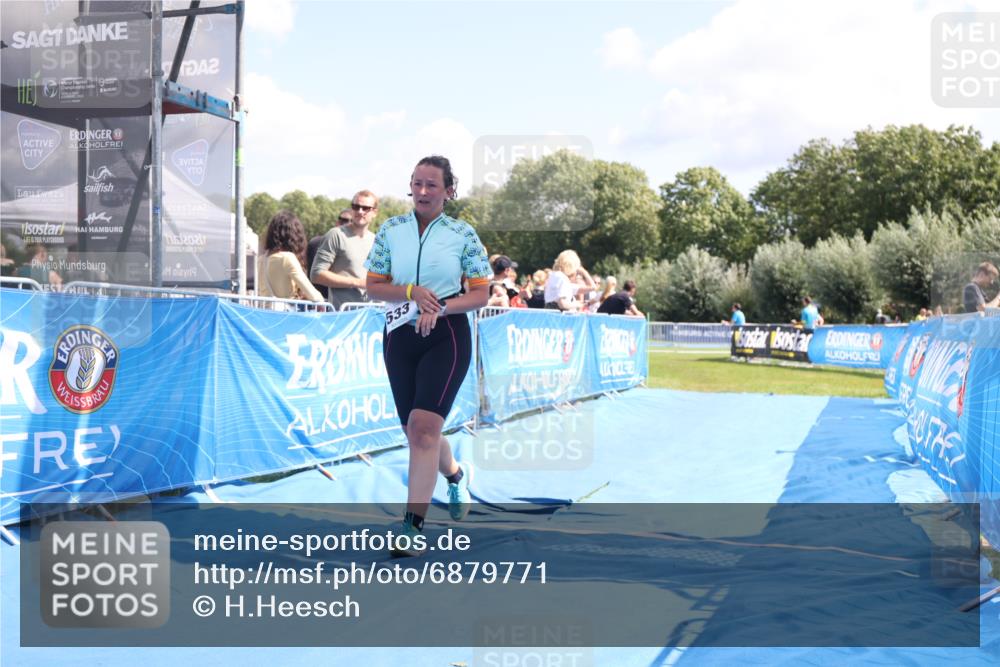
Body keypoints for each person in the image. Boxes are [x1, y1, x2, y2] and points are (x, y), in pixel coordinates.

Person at [364, 155, 491, 557]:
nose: (421, 191)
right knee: (418, 434)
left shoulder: (463, 234)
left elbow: (481, 293)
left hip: (447, 336)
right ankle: (454, 474)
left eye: (431, 185)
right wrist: (410, 293)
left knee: (422, 430)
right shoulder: (391, 229)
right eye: (416, 183)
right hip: (399, 336)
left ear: (448, 191)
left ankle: (412, 527)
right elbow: (372, 285)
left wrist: (440, 307)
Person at [310, 192, 378, 310]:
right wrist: (357, 282)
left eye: (365, 208)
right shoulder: (336, 235)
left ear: (374, 212)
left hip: (369, 317)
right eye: (356, 207)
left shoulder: (377, 240)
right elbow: (316, 274)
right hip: (341, 317)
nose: (360, 211)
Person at [259, 211, 324, 302]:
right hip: (285, 314)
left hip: (264, 313)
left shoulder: (261, 259)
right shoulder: (287, 258)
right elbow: (315, 297)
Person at [306, 210, 352, 301]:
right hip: (320, 301)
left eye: (351, 221)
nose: (347, 224)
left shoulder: (358, 247)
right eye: (343, 220)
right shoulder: (314, 243)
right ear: (337, 222)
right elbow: (311, 273)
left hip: (338, 302)